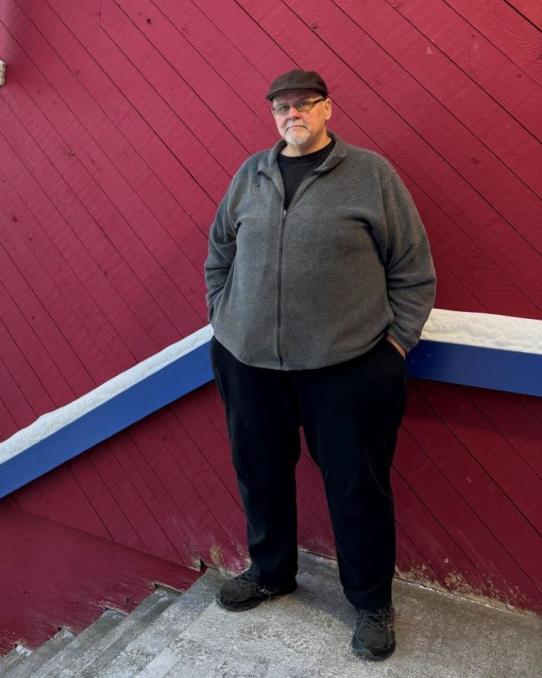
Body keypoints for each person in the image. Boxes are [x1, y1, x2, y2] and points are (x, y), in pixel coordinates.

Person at [204, 69, 436, 661]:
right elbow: (220, 250)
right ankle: (271, 571)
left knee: (357, 487)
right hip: (249, 361)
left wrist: (396, 345)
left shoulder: (370, 174)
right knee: (260, 473)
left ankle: (370, 602)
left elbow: (412, 268)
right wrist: (222, 315)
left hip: (349, 366)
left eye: (303, 103)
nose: (291, 114)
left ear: (328, 108)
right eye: (280, 106)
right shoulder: (250, 174)